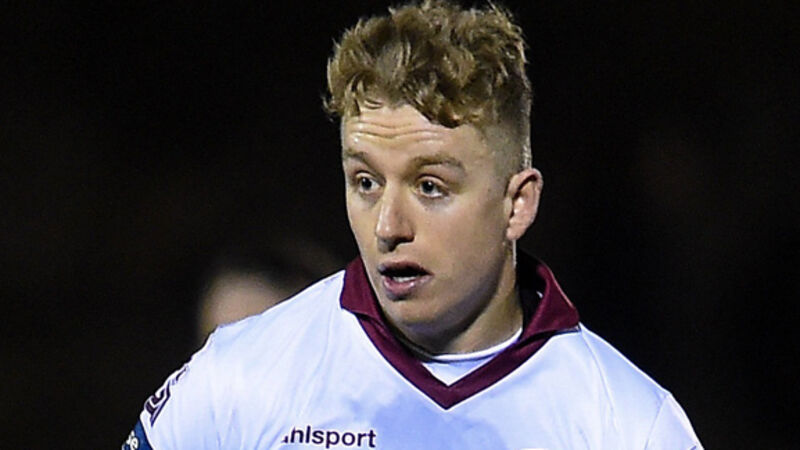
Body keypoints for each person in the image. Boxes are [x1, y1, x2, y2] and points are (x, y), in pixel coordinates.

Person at [122, 1, 703, 448]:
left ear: (517, 204)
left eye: (430, 187)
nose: (389, 226)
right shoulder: (238, 381)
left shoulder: (628, 425)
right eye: (365, 182)